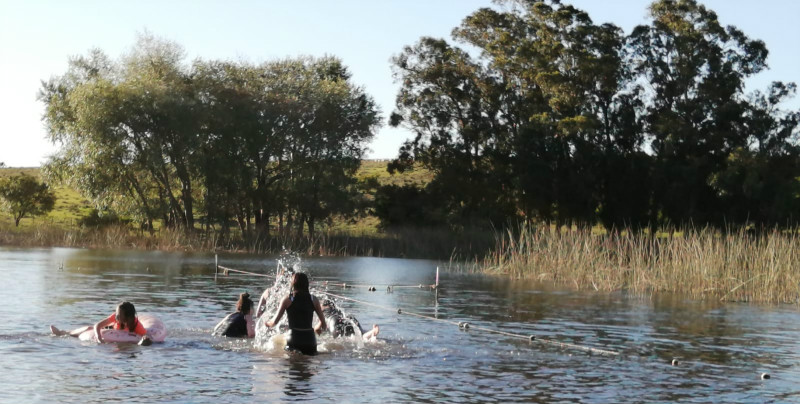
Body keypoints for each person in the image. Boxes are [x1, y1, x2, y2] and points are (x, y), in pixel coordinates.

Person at [264, 272, 327, 355]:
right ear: (307, 284)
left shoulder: (287, 299)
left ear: (293, 284)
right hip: (310, 340)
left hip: (294, 338)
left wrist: (266, 323)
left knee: (292, 364)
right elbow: (324, 324)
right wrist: (317, 328)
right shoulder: (314, 299)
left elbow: (274, 322)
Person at [50, 301, 153, 346]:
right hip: (110, 331)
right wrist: (99, 337)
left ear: (128, 317)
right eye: (116, 314)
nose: (116, 316)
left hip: (119, 338)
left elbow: (145, 337)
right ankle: (63, 333)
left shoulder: (136, 325)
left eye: (119, 315)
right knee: (89, 328)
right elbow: (97, 325)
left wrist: (143, 341)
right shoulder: (115, 317)